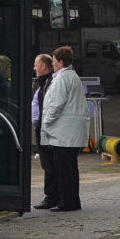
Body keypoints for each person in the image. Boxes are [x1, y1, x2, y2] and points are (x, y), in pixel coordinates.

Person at [39, 45, 88, 211]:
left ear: (60, 62)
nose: (52, 64)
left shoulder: (62, 78)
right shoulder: (72, 76)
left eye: (54, 61)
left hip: (63, 133)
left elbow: (56, 104)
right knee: (70, 168)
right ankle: (71, 200)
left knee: (63, 170)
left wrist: (46, 123)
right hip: (70, 132)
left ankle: (66, 202)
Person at [30, 53, 56, 208]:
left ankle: (51, 196)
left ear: (43, 66)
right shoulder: (40, 83)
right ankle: (52, 195)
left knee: (48, 163)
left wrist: (42, 124)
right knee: (46, 163)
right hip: (40, 126)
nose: (34, 67)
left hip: (45, 128)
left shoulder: (49, 82)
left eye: (36, 64)